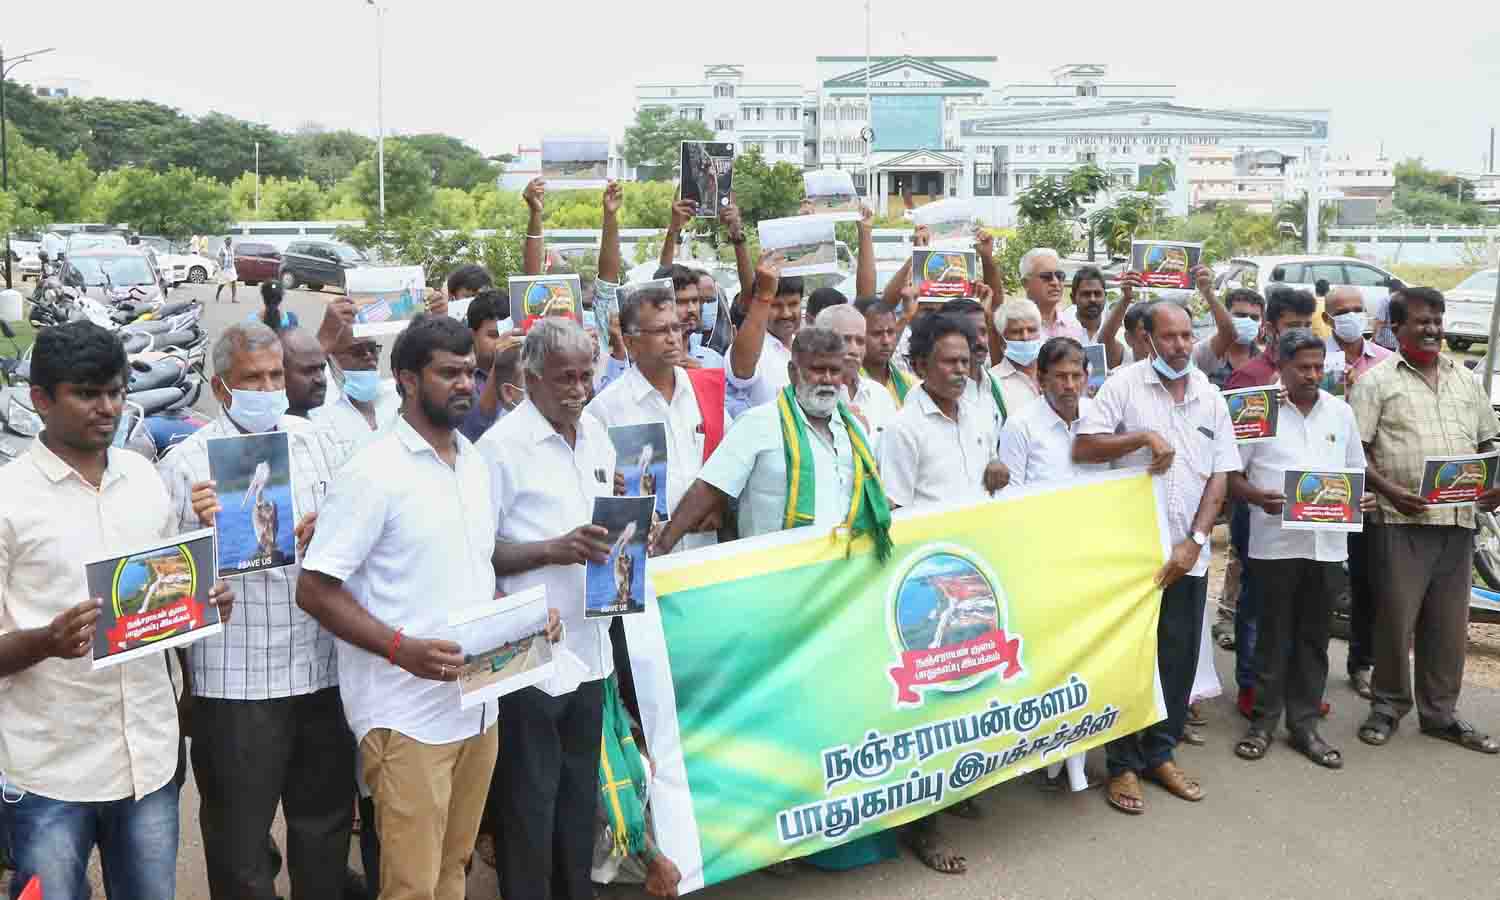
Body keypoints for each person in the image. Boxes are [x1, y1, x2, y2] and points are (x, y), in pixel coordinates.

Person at [300, 315, 543, 900]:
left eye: (470, 372)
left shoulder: (474, 463)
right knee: (411, 885)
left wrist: (521, 619)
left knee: (452, 868)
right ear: (407, 379)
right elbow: (315, 588)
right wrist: (397, 648)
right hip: (405, 716)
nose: (464, 384)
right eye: (448, 373)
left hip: (478, 702)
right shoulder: (374, 471)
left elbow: (471, 573)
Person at [653, 322, 899, 874]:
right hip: (770, 601)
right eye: (817, 369)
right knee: (774, 721)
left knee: (834, 715)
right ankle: (769, 841)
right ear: (794, 372)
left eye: (838, 371)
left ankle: (839, 831)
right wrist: (663, 547)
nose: (828, 379)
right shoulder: (759, 425)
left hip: (839, 600)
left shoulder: (854, 428)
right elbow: (711, 488)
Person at [0, 321, 232, 900]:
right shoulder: (9, 501)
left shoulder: (145, 482)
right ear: (40, 400)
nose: (107, 408)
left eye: (116, 392)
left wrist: (199, 604)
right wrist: (45, 642)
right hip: (49, 770)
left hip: (148, 762)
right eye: (86, 393)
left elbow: (159, 605)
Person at [158, 322, 352, 900]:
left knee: (324, 828)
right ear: (222, 387)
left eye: (274, 375)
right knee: (239, 842)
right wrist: (198, 527)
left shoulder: (317, 443)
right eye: (253, 378)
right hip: (236, 680)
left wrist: (331, 531)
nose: (267, 387)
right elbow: (163, 580)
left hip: (320, 668)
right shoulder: (187, 464)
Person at [1074, 301, 1240, 815]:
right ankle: (1121, 763)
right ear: (1145, 337)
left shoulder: (1210, 398)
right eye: (1169, 336)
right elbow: (1084, 446)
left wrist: (1196, 539)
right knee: (1131, 660)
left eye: (1188, 335)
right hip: (1132, 555)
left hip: (1186, 552)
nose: (1181, 346)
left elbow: (1221, 474)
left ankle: (1159, 755)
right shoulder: (1123, 385)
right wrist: (1140, 437)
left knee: (1176, 659)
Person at [480, 318, 620, 900]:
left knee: (576, 793)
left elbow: (613, 522)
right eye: (567, 377)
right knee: (527, 801)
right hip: (524, 645)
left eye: (588, 375)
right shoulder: (497, 450)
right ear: (531, 378)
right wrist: (552, 548)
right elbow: (476, 553)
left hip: (589, 643)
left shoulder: (598, 435)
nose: (580, 388)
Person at [1350, 286, 1500, 754]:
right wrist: (1391, 490)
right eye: (1421, 321)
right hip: (1399, 520)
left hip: (1458, 521)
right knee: (1396, 619)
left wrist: (1493, 486)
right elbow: (1355, 452)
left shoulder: (1465, 379)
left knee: (1448, 624)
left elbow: (1487, 445)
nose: (1432, 328)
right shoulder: (1377, 382)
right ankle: (1388, 706)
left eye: (1437, 319)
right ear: (1396, 328)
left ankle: (1440, 713)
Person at [1228, 328, 1369, 770]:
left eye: (1317, 367)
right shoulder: (1259, 411)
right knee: (1272, 634)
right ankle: (1263, 722)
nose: (1311, 375)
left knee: (1313, 638)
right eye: (1302, 368)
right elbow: (1231, 474)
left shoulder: (1340, 412)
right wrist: (1255, 497)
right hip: (1274, 543)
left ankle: (1305, 724)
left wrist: (1360, 497)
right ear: (1281, 367)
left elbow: (1355, 472)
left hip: (1327, 547)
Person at [1321, 284, 1392, 699]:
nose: (1350, 316)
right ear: (1328, 319)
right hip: (1319, 490)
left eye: (1356, 309)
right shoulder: (1315, 358)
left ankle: (1361, 662)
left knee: (1367, 580)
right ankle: (1307, 666)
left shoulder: (1385, 362)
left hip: (1366, 487)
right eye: (1341, 311)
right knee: (1322, 580)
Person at [880, 312, 1007, 511]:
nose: (960, 370)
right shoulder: (902, 429)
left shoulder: (979, 415)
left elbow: (990, 469)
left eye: (965, 361)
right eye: (950, 362)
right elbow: (896, 506)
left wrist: (996, 468)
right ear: (921, 366)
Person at [998, 337, 1108, 489]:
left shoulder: (1101, 415)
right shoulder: (1019, 427)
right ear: (1041, 380)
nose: (1070, 385)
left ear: (1086, 378)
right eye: (1061, 377)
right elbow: (1009, 495)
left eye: (1076, 376)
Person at [815, 303, 898, 448]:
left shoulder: (880, 395)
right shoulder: (808, 398)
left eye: (860, 341)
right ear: (821, 343)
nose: (854, 350)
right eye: (845, 339)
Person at [312, 331, 400, 451]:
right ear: (332, 359)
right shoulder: (321, 413)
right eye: (357, 351)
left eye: (373, 349)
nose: (369, 356)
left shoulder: (397, 398)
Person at [456, 289, 522, 442]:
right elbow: (473, 430)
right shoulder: (460, 377)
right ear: (472, 335)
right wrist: (499, 366)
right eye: (493, 336)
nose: (502, 341)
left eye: (507, 334)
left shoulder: (528, 369)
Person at [1225, 287, 1316, 391]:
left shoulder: (1317, 369)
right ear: (1271, 329)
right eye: (1294, 326)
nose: (1303, 332)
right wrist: (1270, 393)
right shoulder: (1246, 376)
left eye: (1307, 325)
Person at [1016, 248, 1087, 342]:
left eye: (1059, 276)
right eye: (1046, 277)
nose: (1055, 282)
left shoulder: (1074, 325)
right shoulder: (1013, 325)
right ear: (1026, 283)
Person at [990, 298, 1044, 419]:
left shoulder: (1053, 372)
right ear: (1002, 339)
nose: (1025, 337)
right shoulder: (992, 382)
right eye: (1017, 331)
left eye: (1031, 330)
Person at [855, 297, 915, 405]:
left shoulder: (910, 385)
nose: (886, 341)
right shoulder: (849, 385)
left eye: (891, 332)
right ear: (859, 336)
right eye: (877, 333)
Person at [282, 328, 330, 419]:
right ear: (280, 375)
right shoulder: (272, 430)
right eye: (309, 371)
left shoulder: (328, 418)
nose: (321, 379)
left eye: (322, 369)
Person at [215, 237, 239, 304]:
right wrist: (221, 265)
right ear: (225, 241)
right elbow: (218, 257)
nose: (230, 242)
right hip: (224, 269)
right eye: (228, 241)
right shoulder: (222, 248)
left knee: (234, 282)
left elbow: (232, 257)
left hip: (231, 268)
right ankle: (218, 293)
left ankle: (234, 298)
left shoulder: (231, 248)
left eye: (230, 241)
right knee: (222, 283)